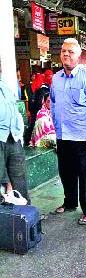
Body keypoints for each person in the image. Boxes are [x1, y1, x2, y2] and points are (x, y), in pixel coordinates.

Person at [50, 38, 86, 224]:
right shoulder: (56, 78)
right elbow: (53, 104)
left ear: (79, 56)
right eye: (63, 51)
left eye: (70, 51)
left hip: (83, 136)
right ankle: (70, 202)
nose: (66, 54)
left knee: (85, 174)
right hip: (63, 134)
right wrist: (55, 128)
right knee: (66, 171)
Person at [0, 58, 29, 203]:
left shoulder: (5, 87)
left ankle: (26, 216)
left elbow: (16, 112)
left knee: (20, 179)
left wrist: (19, 135)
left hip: (13, 138)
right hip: (0, 139)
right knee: (1, 183)